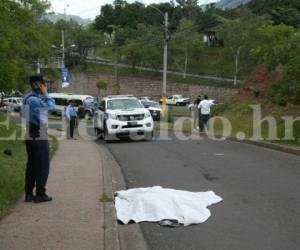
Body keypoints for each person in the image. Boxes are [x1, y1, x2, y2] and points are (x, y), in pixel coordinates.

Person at [22, 75, 56, 203]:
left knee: (31, 165)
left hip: (30, 133)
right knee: (42, 165)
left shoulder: (26, 98)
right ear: (38, 85)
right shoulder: (34, 100)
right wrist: (46, 94)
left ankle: (29, 193)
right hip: (38, 134)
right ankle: (40, 194)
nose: (44, 86)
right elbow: (52, 108)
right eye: (43, 84)